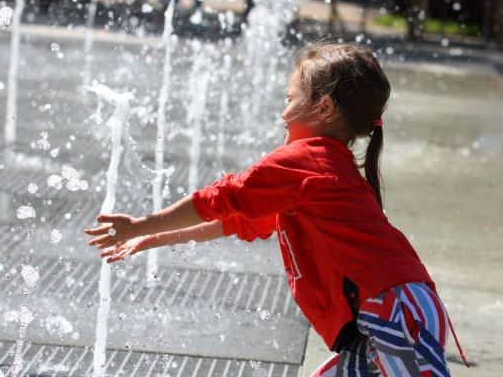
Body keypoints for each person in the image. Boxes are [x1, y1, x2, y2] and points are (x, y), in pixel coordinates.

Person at [84, 43, 469, 376]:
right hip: (387, 311)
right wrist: (153, 237)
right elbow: (237, 220)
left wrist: (139, 224)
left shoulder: (308, 160)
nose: (282, 111)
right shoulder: (321, 170)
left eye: (290, 99)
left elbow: (223, 197)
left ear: (324, 107)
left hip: (393, 309)